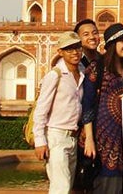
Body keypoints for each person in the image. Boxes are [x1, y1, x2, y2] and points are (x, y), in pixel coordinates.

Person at [82, 23, 123, 194]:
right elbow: (88, 106)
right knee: (107, 183)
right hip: (103, 138)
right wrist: (89, 139)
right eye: (122, 40)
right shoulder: (97, 68)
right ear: (112, 44)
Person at [33, 31, 85, 194]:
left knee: (67, 185)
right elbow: (41, 109)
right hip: (56, 136)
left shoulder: (82, 72)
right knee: (60, 188)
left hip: (72, 137)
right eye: (69, 49)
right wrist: (40, 140)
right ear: (60, 52)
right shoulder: (54, 75)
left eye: (77, 47)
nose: (75, 52)